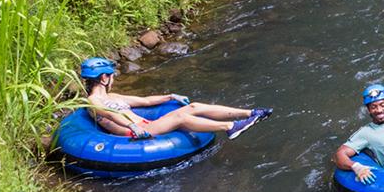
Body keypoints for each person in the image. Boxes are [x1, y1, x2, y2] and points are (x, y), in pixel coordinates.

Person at [78, 57, 272, 139]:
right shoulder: (93, 101)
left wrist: (170, 96)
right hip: (137, 133)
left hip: (146, 124)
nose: (113, 79)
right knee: (181, 118)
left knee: (194, 106)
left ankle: (252, 113)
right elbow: (109, 114)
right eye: (111, 76)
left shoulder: (114, 96)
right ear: (104, 77)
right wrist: (132, 126)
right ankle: (230, 127)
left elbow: (145, 101)